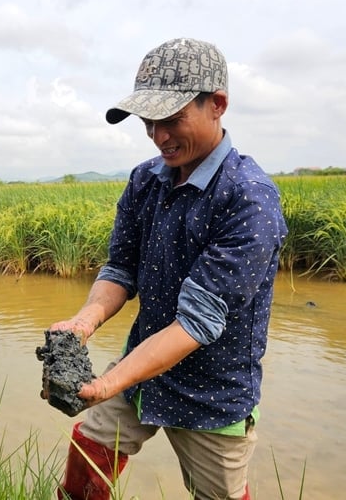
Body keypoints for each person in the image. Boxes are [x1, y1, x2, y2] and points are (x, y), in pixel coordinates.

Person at [47, 38, 288, 500]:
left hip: (213, 392)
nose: (159, 136)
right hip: (143, 364)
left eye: (172, 119)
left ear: (217, 105)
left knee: (218, 494)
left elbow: (197, 323)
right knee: (88, 455)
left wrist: (109, 382)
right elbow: (120, 269)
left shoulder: (249, 199)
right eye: (149, 122)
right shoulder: (146, 180)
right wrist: (85, 320)